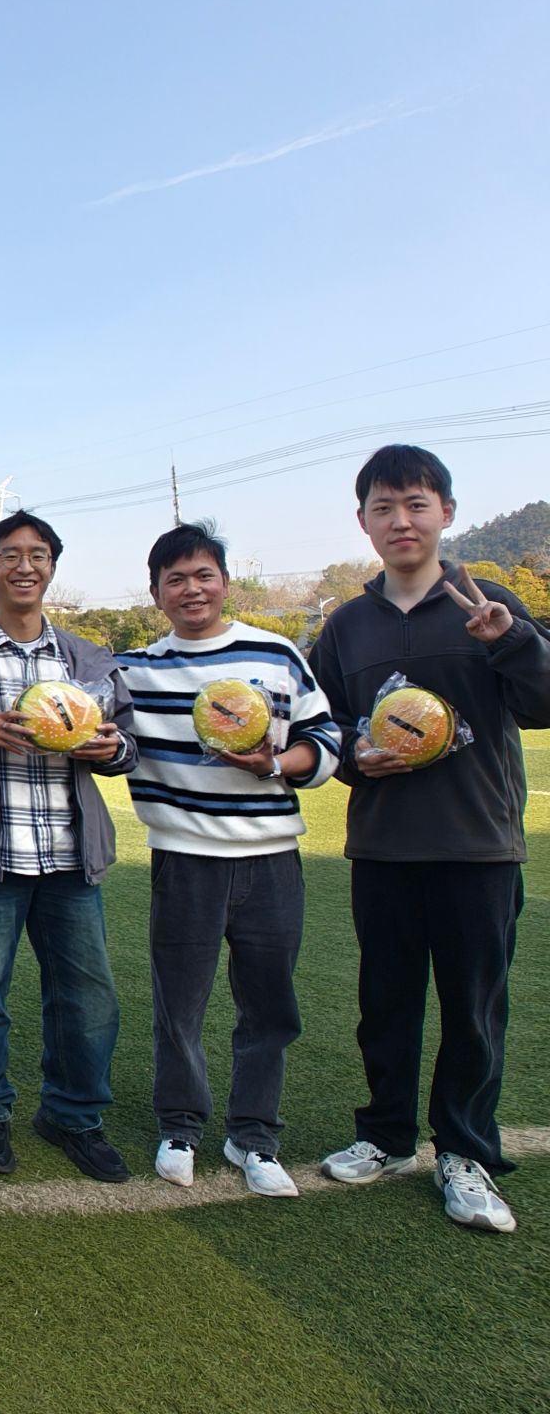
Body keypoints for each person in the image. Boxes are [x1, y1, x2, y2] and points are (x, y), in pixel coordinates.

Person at [310, 445, 550, 1234]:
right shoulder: (346, 625)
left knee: (474, 1011)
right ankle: (385, 1135)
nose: (401, 521)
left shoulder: (489, 602)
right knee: (385, 1006)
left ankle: (466, 1152)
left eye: (416, 504)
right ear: (363, 522)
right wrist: (357, 758)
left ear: (446, 511)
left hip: (478, 847)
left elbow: (544, 703)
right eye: (384, 507)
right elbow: (324, 731)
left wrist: (509, 640)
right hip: (385, 847)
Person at [113, 522, 341, 1196]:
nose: (192, 589)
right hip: (184, 859)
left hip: (271, 860)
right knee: (179, 1005)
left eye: (203, 575)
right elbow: (85, 713)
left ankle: (254, 1136)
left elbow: (325, 740)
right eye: (176, 579)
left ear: (225, 582)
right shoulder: (134, 669)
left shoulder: (275, 654)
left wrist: (274, 762)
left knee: (268, 1007)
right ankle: (180, 1125)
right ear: (156, 593)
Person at [0, 510, 137, 1183]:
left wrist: (112, 748)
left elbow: (127, 743)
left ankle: (74, 1115)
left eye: (38, 555)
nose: (24, 566)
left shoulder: (86, 658)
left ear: (52, 566)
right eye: (11, 555)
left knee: (87, 997)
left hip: (70, 854)